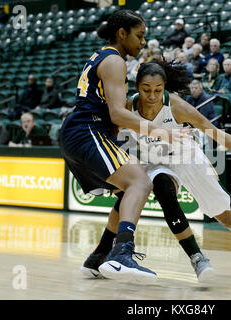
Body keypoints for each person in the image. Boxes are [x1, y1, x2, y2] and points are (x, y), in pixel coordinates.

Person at [112, 61, 231, 278]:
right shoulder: (128, 107)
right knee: (163, 189)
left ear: (165, 88)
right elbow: (115, 135)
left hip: (188, 159)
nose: (152, 96)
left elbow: (218, 135)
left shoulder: (178, 107)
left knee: (226, 217)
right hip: (157, 162)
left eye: (158, 90)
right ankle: (197, 258)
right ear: (137, 87)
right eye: (146, 90)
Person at [60, 10, 189, 283]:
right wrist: (160, 131)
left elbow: (114, 116)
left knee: (127, 190)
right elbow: (118, 113)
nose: (143, 42)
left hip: (84, 132)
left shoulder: (102, 56)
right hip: (87, 131)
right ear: (122, 33)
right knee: (140, 182)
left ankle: (98, 258)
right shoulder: (114, 61)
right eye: (139, 36)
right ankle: (121, 255)